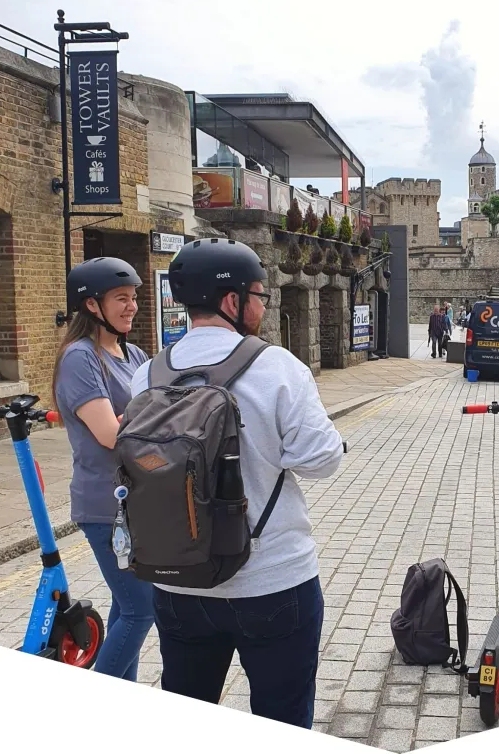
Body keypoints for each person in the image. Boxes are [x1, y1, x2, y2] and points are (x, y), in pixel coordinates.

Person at [130, 237, 343, 729]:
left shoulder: (147, 374)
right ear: (232, 302)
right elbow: (321, 461)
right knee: (282, 718)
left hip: (178, 580)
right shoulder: (277, 366)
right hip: (272, 582)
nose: (264, 306)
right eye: (261, 296)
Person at [52, 257, 154, 680]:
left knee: (125, 608)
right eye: (120, 299)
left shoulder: (133, 353)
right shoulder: (80, 358)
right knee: (141, 610)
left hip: (139, 500)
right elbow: (110, 434)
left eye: (133, 297)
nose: (131, 306)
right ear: (92, 305)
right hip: (105, 506)